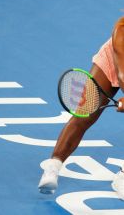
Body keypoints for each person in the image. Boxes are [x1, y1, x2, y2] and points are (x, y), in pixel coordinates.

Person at [38, 17, 124, 199]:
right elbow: (122, 74)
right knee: (85, 115)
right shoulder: (122, 29)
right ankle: (53, 166)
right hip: (115, 62)